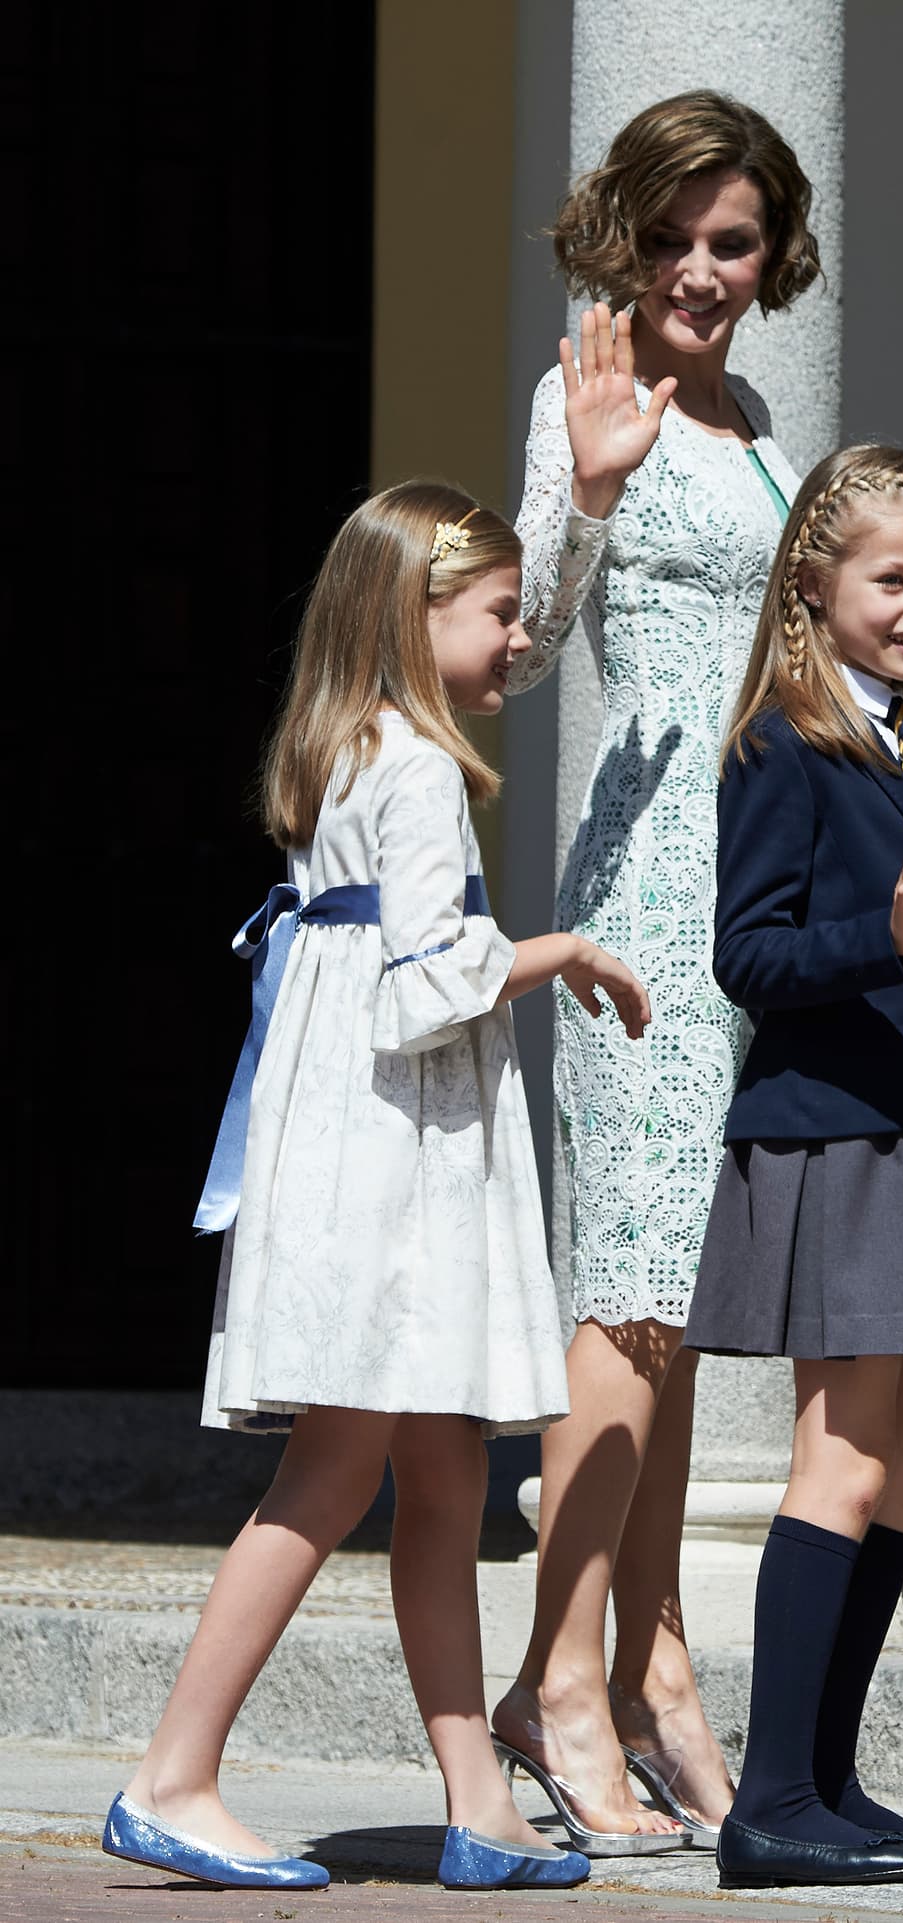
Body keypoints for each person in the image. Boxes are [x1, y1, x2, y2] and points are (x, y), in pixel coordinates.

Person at [101, 482, 650, 1896]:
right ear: (417, 618)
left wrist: (577, 516)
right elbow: (428, 985)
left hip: (360, 1144)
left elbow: (368, 968)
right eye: (495, 613)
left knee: (445, 1470)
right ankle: (174, 1772)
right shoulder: (413, 767)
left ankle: (479, 1799)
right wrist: (559, 951)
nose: (517, 640)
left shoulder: (351, 745)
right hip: (391, 1167)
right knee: (340, 1464)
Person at [491, 92, 821, 1853]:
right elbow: (527, 653)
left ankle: (658, 1659)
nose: (704, 270)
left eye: (737, 241)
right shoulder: (580, 398)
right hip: (639, 902)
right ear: (629, 238)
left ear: (773, 260)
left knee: (678, 1311)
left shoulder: (764, 419)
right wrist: (595, 499)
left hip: (752, 894)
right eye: (679, 237)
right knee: (621, 1294)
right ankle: (555, 1679)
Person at [684, 444, 903, 1890]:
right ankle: (769, 1805)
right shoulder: (784, 744)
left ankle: (826, 1777)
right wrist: (870, 936)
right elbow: (744, 955)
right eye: (895, 578)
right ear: (817, 586)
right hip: (833, 1135)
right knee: (850, 1448)